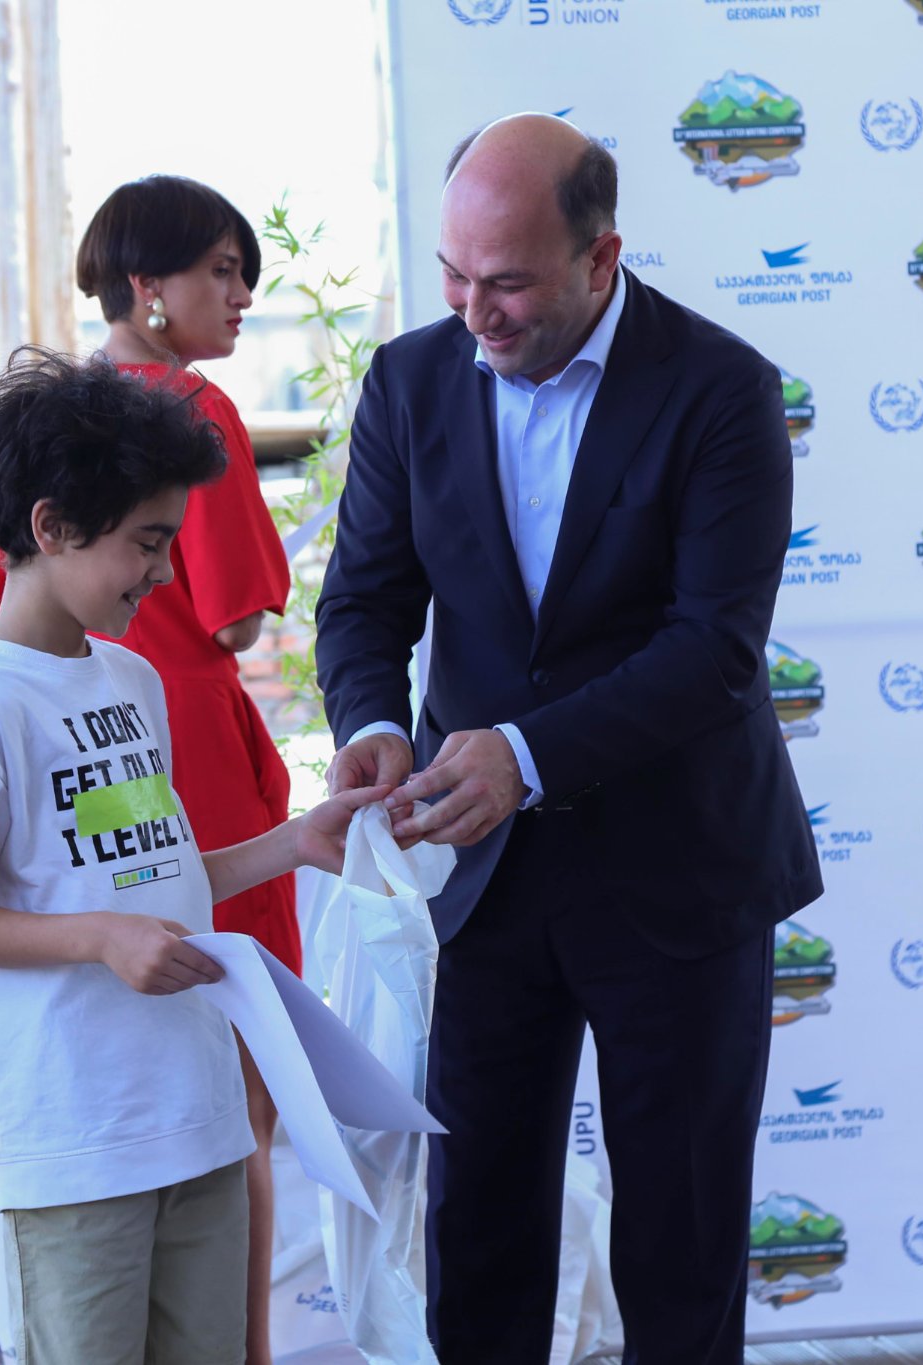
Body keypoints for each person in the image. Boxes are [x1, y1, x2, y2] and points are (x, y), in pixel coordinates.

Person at [316, 113, 824, 1362]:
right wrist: (374, 723)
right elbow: (363, 602)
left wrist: (523, 755)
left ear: (600, 259)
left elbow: (714, 649)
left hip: (679, 873)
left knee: (679, 1249)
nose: (471, 311)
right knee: (478, 1239)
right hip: (478, 881)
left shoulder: (721, 389)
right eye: (452, 275)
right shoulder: (407, 381)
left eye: (505, 283)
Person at [0, 347, 388, 1364]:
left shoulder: (131, 680)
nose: (166, 573)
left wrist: (292, 843)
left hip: (199, 1121)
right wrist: (100, 939)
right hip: (77, 1146)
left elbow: (154, 877)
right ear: (51, 526)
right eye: (147, 542)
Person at [0, 174, 297, 1362]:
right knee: (234, 1101)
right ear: (148, 286)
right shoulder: (191, 413)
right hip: (187, 750)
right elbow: (240, 615)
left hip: (109, 758)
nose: (239, 296)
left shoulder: (53, 423)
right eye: (223, 270)